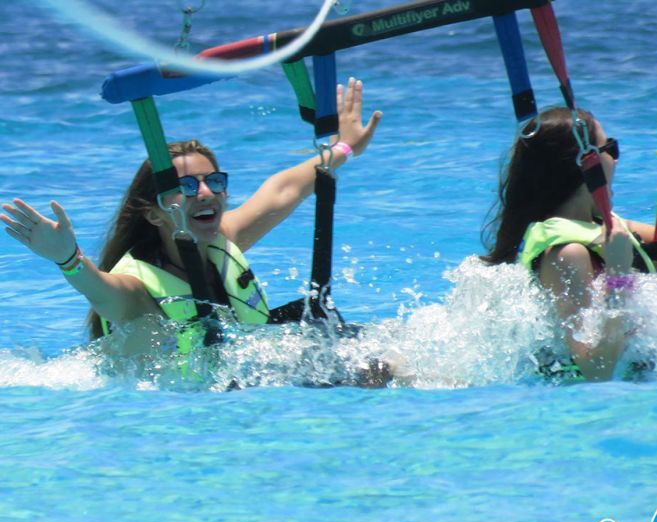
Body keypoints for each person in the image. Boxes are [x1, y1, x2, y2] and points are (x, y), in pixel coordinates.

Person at [1, 78, 382, 351]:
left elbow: (283, 189)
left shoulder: (221, 238)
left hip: (240, 378)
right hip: (172, 408)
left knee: (348, 336)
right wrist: (67, 258)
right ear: (153, 214)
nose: (206, 193)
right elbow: (98, 290)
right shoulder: (136, 289)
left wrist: (344, 149)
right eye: (186, 187)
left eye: (214, 181)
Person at [481, 107, 657, 381]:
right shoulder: (567, 253)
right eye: (611, 148)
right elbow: (596, 370)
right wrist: (618, 278)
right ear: (587, 162)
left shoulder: (598, 225)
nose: (616, 160)